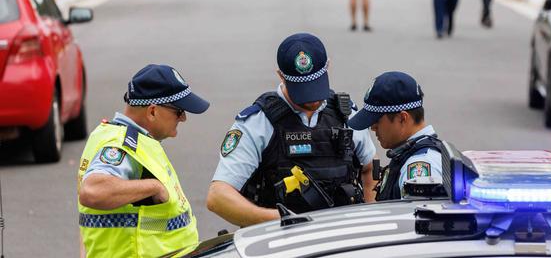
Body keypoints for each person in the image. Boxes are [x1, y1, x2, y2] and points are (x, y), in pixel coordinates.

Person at [207, 33, 377, 227]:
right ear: (280, 75)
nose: (312, 99)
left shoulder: (346, 114)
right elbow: (218, 196)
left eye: (315, 87)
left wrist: (368, 219)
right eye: (302, 90)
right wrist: (281, 220)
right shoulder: (258, 123)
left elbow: (369, 168)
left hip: (340, 238)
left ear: (327, 67)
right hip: (281, 243)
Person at [77, 64, 210, 258]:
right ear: (153, 111)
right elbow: (92, 192)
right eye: (179, 111)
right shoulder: (123, 146)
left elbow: (90, 222)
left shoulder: (123, 138)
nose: (183, 119)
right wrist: (154, 187)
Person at [347, 71, 443, 201]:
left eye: (377, 120)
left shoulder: (419, 170)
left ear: (402, 118)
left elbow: (415, 220)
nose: (372, 127)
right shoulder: (408, 154)